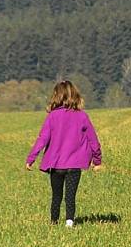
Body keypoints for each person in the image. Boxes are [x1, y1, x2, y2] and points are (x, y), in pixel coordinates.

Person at [26, 80, 103, 227]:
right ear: (75, 95)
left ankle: (54, 222)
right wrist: (97, 160)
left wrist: (31, 158)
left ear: (56, 96)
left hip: (56, 165)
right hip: (74, 165)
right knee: (70, 196)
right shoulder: (82, 116)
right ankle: (69, 222)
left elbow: (42, 139)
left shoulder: (52, 117)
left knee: (56, 196)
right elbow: (93, 139)